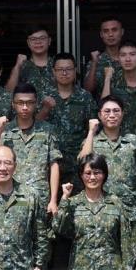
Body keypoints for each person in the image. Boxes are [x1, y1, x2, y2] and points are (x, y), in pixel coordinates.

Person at [0, 83, 62, 270]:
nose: (24, 107)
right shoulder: (7, 132)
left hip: (41, 200)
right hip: (13, 201)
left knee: (42, 252)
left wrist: (54, 199)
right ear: (13, 104)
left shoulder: (47, 130)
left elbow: (54, 164)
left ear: (36, 104)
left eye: (29, 102)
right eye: (20, 102)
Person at [78, 96, 136, 270]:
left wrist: (130, 194)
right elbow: (83, 161)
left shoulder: (133, 141)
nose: (111, 115)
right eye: (106, 111)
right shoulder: (93, 142)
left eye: (116, 110)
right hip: (100, 208)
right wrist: (91, 132)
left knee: (134, 255)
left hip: (129, 208)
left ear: (123, 114)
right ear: (99, 115)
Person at [45, 52, 97, 189]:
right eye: (60, 70)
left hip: (77, 164)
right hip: (50, 163)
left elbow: (94, 129)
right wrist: (45, 108)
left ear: (75, 71)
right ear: (53, 72)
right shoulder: (44, 96)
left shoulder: (85, 98)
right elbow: (33, 124)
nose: (64, 73)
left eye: (68, 69)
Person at [83, 17, 136, 94]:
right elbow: (87, 90)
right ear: (101, 34)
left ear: (122, 32)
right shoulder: (96, 60)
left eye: (114, 30)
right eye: (106, 31)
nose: (110, 34)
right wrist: (94, 62)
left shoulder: (131, 58)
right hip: (105, 105)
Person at [5, 26, 57, 100]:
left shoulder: (58, 64)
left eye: (42, 38)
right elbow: (8, 93)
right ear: (28, 43)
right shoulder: (22, 66)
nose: (38, 42)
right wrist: (17, 66)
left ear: (49, 41)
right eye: (33, 39)